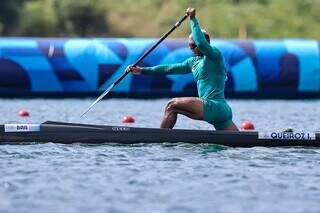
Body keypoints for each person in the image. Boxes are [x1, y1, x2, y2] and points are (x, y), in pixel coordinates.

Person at [127, 8, 238, 131]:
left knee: (172, 104)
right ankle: (164, 137)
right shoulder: (193, 62)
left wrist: (192, 19)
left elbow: (201, 43)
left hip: (215, 106)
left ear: (206, 43)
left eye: (193, 45)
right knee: (240, 141)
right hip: (218, 112)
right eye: (189, 46)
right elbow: (169, 69)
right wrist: (142, 70)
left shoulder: (214, 55)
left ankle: (160, 138)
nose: (191, 48)